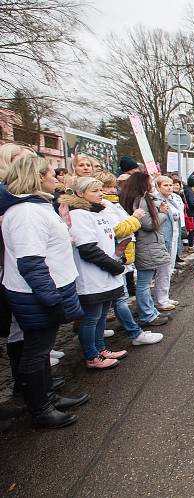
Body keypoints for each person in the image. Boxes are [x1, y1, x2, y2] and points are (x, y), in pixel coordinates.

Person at [1, 154, 88, 428]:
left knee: (42, 349)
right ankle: (40, 409)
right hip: (36, 294)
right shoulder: (26, 213)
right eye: (51, 173)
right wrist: (52, 300)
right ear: (38, 177)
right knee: (35, 352)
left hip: (48, 290)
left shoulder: (36, 207)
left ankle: (49, 396)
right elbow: (31, 263)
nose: (56, 177)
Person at [59, 177, 129, 369]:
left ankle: (101, 348)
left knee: (102, 314)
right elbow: (88, 249)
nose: (100, 193)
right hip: (92, 276)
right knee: (91, 317)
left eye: (100, 190)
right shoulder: (80, 214)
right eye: (94, 191)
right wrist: (114, 266)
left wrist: (117, 257)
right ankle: (92, 356)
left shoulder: (98, 211)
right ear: (81, 193)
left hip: (107, 273)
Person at [94, 171, 163, 347]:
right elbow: (119, 229)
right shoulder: (109, 206)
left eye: (111, 187)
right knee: (122, 296)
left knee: (117, 298)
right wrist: (137, 218)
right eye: (105, 188)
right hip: (115, 255)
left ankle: (98, 340)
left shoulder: (114, 204)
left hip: (123, 254)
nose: (108, 191)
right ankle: (135, 331)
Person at [120, 172, 171, 328]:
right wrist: (162, 213)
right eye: (150, 181)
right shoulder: (141, 200)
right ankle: (147, 315)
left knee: (144, 281)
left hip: (145, 244)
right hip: (146, 244)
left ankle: (149, 312)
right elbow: (149, 224)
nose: (152, 184)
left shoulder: (132, 198)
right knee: (144, 282)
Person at [152, 176, 181, 311]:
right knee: (162, 270)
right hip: (164, 239)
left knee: (169, 269)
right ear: (158, 187)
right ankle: (160, 300)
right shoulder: (156, 201)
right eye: (166, 185)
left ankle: (165, 296)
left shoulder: (172, 200)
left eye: (170, 185)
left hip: (174, 238)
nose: (170, 187)